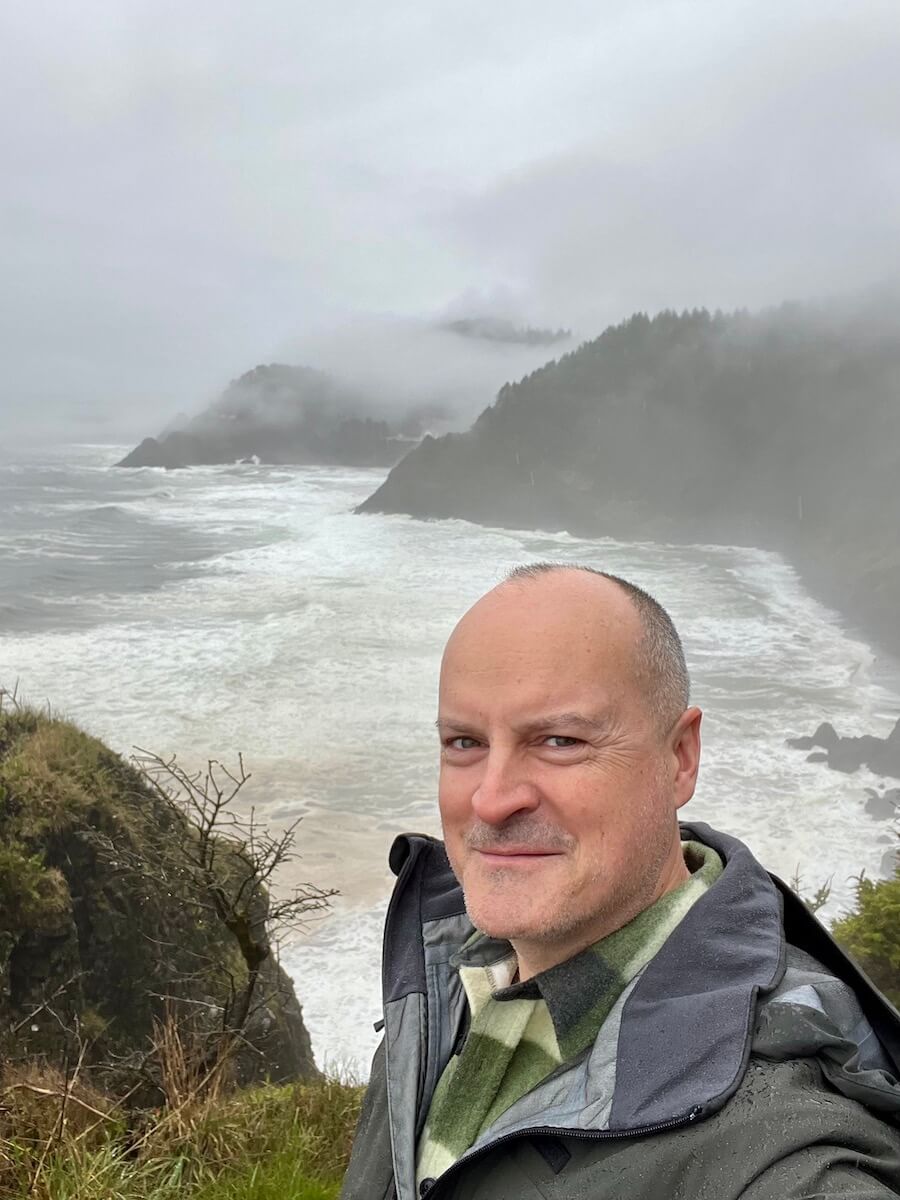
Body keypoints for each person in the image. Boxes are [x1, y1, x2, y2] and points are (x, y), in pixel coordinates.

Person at [340, 563, 900, 1200]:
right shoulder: (446, 973)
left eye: (559, 740)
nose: (491, 800)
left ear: (679, 758)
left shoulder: (782, 1146)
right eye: (464, 742)